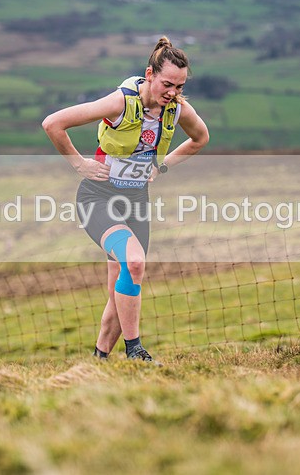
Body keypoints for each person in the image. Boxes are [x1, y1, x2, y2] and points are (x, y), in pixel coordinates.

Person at [42, 36, 210, 362]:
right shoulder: (120, 102)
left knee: (122, 287)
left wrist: (162, 166)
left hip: (136, 202)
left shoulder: (177, 109)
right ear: (149, 74)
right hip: (98, 198)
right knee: (134, 263)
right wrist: (79, 164)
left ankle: (99, 362)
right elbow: (53, 124)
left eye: (179, 86)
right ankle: (135, 351)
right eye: (167, 84)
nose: (172, 93)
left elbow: (200, 138)